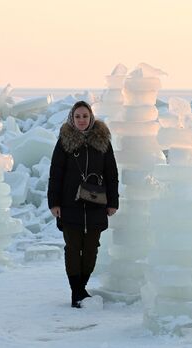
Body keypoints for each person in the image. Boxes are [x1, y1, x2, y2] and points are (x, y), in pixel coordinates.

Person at [47, 101, 119, 308]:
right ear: (72, 118)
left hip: (97, 203)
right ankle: (76, 292)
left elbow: (111, 174)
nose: (81, 120)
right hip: (70, 204)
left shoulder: (103, 141)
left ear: (91, 118)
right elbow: (56, 174)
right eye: (77, 116)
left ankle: (81, 287)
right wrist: (54, 203)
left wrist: (113, 202)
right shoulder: (64, 142)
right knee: (72, 248)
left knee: (91, 249)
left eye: (85, 116)